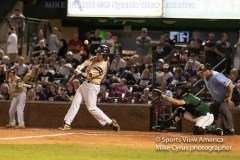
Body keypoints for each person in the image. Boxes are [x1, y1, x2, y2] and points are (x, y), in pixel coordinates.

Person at [59, 45, 120, 131]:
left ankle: (110, 122)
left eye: (100, 54)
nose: (98, 54)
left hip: (92, 87)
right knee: (75, 104)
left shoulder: (102, 65)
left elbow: (88, 77)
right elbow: (88, 61)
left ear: (104, 55)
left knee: (92, 108)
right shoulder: (98, 57)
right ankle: (66, 123)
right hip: (85, 85)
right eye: (98, 53)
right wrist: (80, 66)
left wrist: (78, 72)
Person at [152, 82, 217, 135]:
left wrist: (163, 96)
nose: (177, 91)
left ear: (184, 90)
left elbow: (178, 103)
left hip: (206, 116)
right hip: (195, 115)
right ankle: (164, 127)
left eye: (179, 90)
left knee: (198, 130)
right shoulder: (185, 96)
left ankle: (215, 129)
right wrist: (162, 97)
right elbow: (174, 102)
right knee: (180, 110)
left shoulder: (188, 96)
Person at [198, 63, 235, 135]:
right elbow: (213, 89)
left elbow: (230, 84)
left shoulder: (216, 76)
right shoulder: (206, 77)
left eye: (203, 71)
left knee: (223, 108)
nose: (201, 73)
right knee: (211, 108)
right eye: (200, 71)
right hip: (221, 98)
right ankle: (216, 128)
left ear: (209, 70)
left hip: (232, 94)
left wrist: (229, 97)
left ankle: (230, 129)